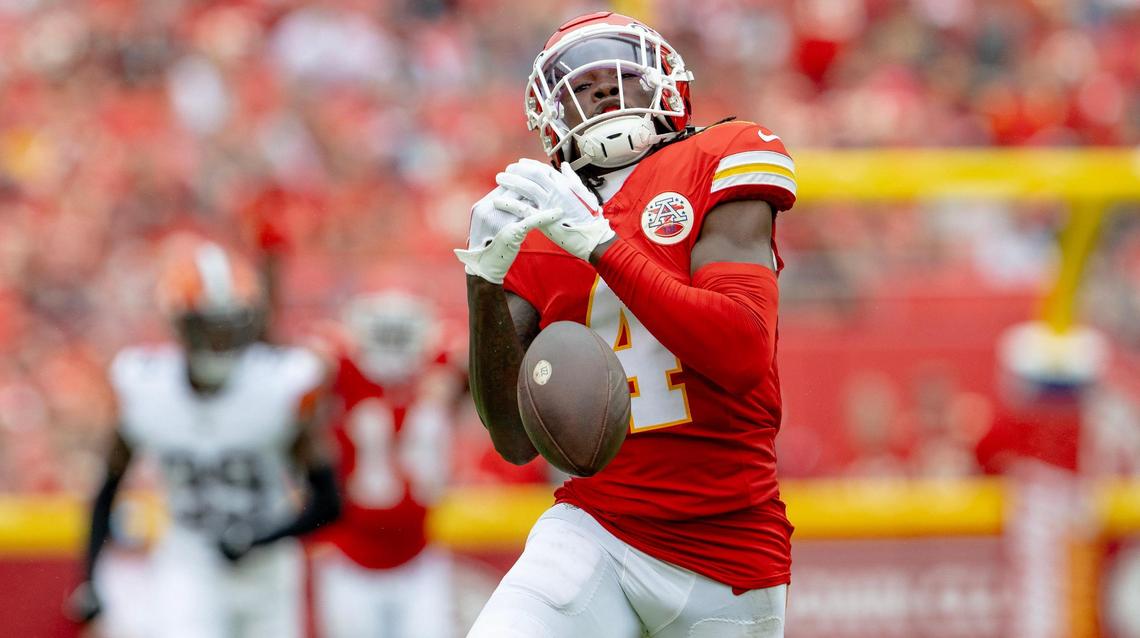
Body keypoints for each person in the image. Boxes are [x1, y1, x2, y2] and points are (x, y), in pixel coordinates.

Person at [455, 11, 797, 638]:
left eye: (620, 75)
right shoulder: (537, 215)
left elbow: (742, 351)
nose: (603, 92)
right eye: (582, 87)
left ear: (667, 83)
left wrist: (601, 244)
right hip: (597, 528)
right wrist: (482, 280)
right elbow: (514, 440)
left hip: (727, 548)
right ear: (551, 117)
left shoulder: (720, 154)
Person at [67, 236, 341, 638]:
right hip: (188, 560)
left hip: (268, 570)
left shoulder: (280, 387)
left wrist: (261, 538)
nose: (219, 340)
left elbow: (329, 501)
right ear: (180, 324)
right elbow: (108, 486)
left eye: (229, 326)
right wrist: (90, 577)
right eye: (207, 327)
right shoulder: (147, 388)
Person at [311, 290, 461, 638]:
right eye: (384, 337)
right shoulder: (339, 370)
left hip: (420, 555)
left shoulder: (440, 367)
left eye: (400, 337)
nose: (392, 348)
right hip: (351, 558)